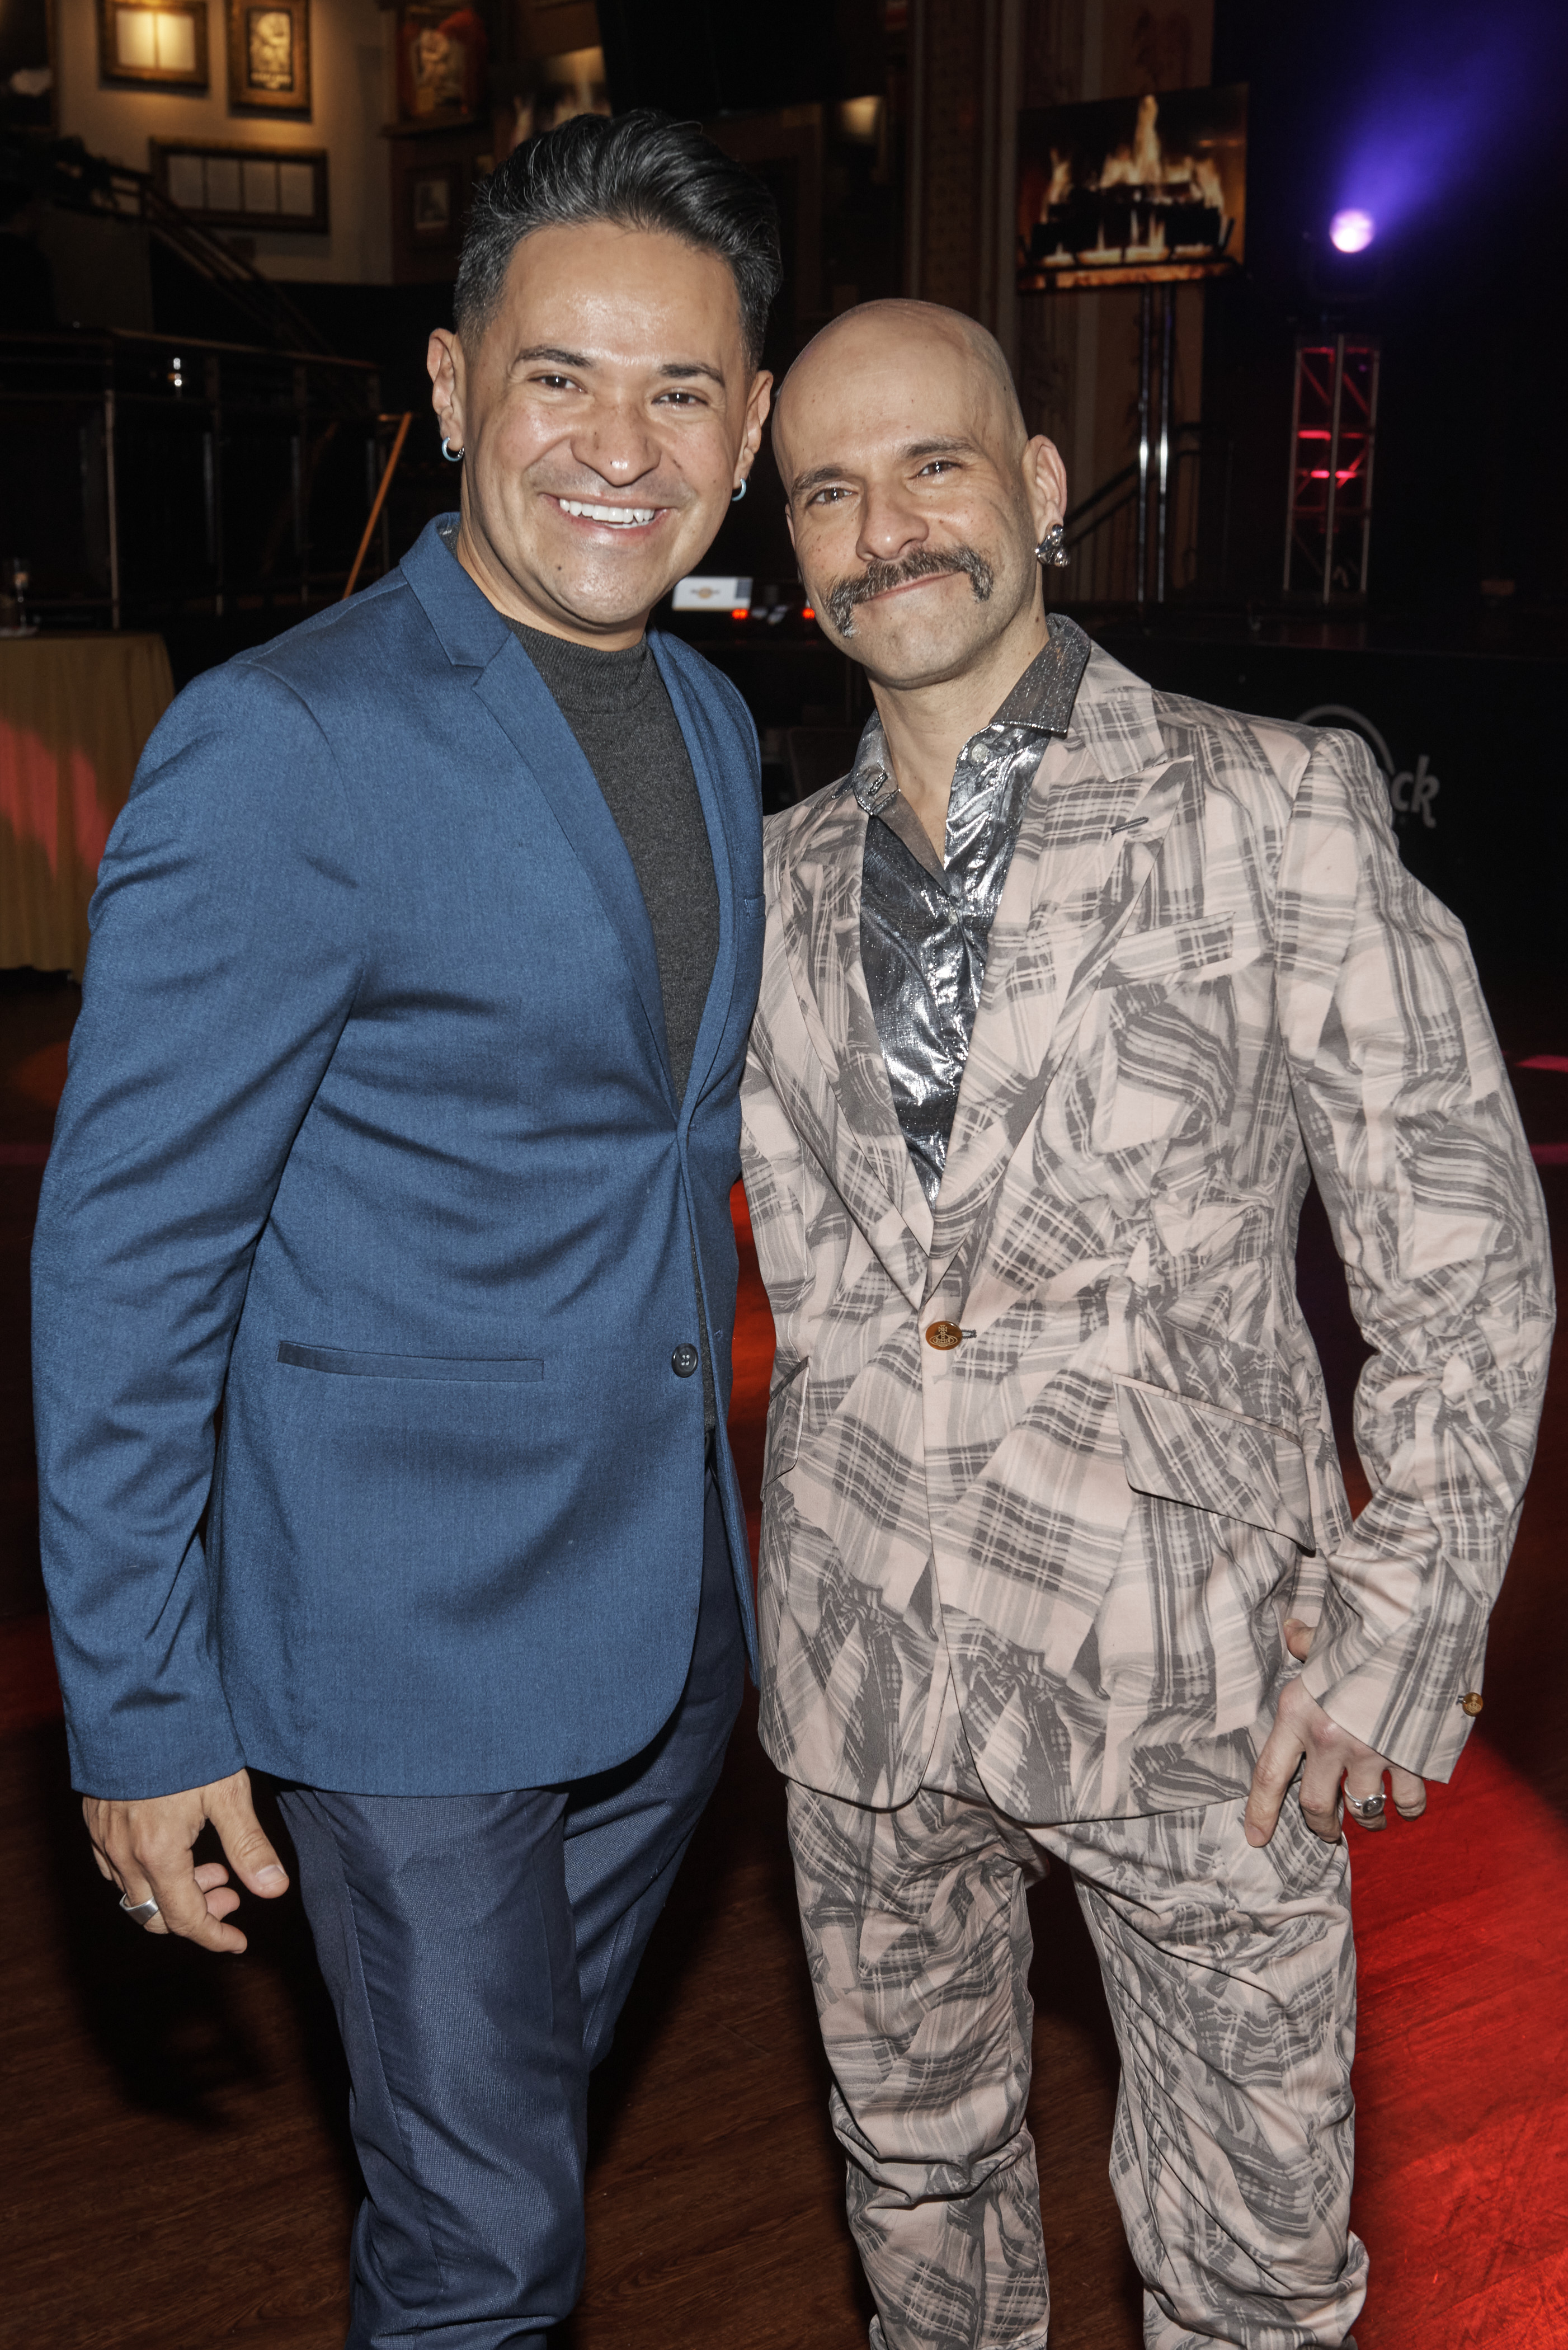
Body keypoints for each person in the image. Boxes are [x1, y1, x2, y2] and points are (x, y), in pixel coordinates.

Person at [740, 298, 1553, 2350]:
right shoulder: (763, 882)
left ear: (1036, 487)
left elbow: (1459, 1249)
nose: (884, 527)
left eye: (933, 466)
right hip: (857, 1677)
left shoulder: (1273, 806)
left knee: (1254, 2273)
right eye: (828, 491)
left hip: (1202, 1686)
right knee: (914, 2196)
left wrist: (1399, 1626)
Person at [33, 111, 779, 2348]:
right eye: (559, 377)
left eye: (678, 391)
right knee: (487, 2251)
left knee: (506, 2159)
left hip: (664, 1625)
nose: (619, 449)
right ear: (452, 388)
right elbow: (127, 1261)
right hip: (403, 1650)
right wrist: (138, 1706)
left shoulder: (715, 718)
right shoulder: (284, 746)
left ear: (748, 429)